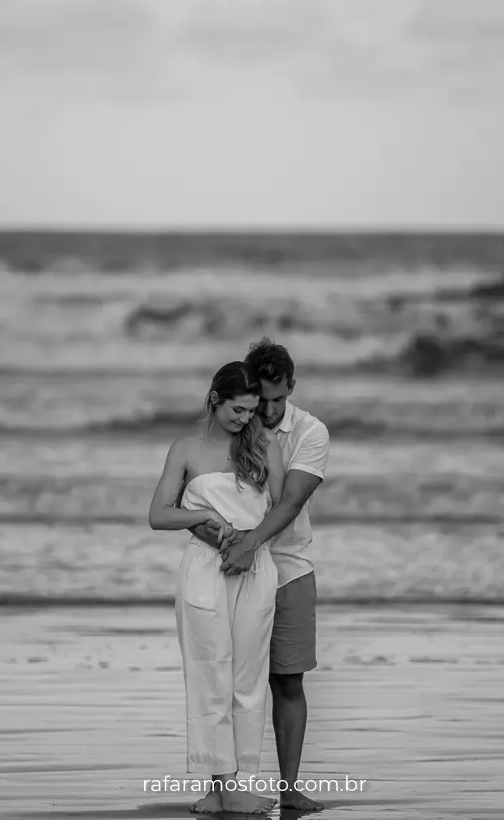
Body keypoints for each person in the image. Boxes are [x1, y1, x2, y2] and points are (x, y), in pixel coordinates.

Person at [195, 338, 330, 813]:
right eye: (262, 399)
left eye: (279, 399)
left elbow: (291, 502)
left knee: (286, 680)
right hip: (230, 570)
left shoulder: (311, 432)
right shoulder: (233, 425)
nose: (269, 410)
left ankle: (289, 789)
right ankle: (224, 788)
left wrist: (252, 543)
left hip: (289, 567)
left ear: (292, 387)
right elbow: (201, 497)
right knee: (228, 679)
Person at [148, 360, 285, 815]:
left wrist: (248, 544)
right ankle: (222, 782)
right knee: (210, 672)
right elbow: (159, 514)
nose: (246, 419)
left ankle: (233, 783)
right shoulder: (185, 448)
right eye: (238, 410)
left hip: (255, 566)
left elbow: (278, 513)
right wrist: (203, 519)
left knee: (248, 678)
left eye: (251, 411)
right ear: (215, 399)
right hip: (205, 567)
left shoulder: (264, 446)